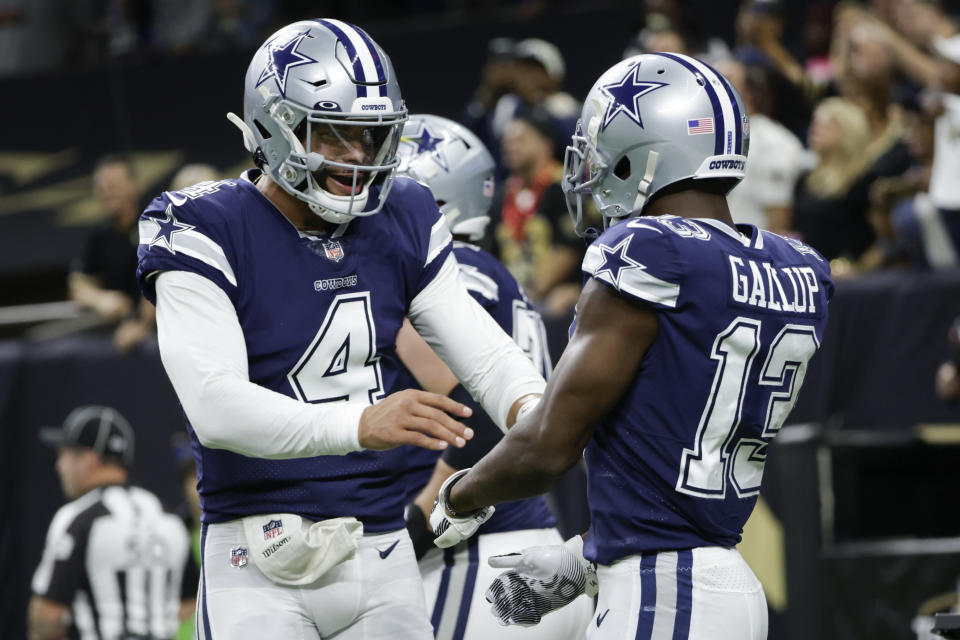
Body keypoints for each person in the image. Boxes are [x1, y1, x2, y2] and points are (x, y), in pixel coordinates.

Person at [135, 19, 546, 640]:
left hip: (383, 550)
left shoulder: (405, 209)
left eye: (371, 138)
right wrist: (360, 423)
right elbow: (215, 406)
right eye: (334, 135)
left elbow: (485, 355)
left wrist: (538, 411)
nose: (357, 158)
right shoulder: (201, 223)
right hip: (257, 555)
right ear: (273, 125)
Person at [430, 52, 834, 639]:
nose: (591, 170)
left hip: (664, 593)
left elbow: (547, 447)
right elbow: (672, 439)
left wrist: (458, 498)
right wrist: (591, 556)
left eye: (602, 150)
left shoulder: (650, 250)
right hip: (715, 579)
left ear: (647, 151)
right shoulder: (800, 265)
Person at [393, 114, 594, 638]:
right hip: (526, 549)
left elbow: (477, 414)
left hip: (475, 560)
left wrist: (425, 518)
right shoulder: (492, 271)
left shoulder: (444, 274)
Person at [30, 405, 195, 639]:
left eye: (64, 454)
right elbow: (189, 606)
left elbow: (47, 617)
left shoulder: (77, 518)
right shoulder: (168, 518)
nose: (59, 466)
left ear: (90, 458)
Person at [69, 154, 155, 351]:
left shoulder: (155, 223)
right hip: (117, 331)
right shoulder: (99, 234)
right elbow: (79, 285)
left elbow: (160, 283)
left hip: (158, 331)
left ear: (135, 186)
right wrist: (101, 299)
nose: (108, 193)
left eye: (114, 186)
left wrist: (141, 325)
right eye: (102, 188)